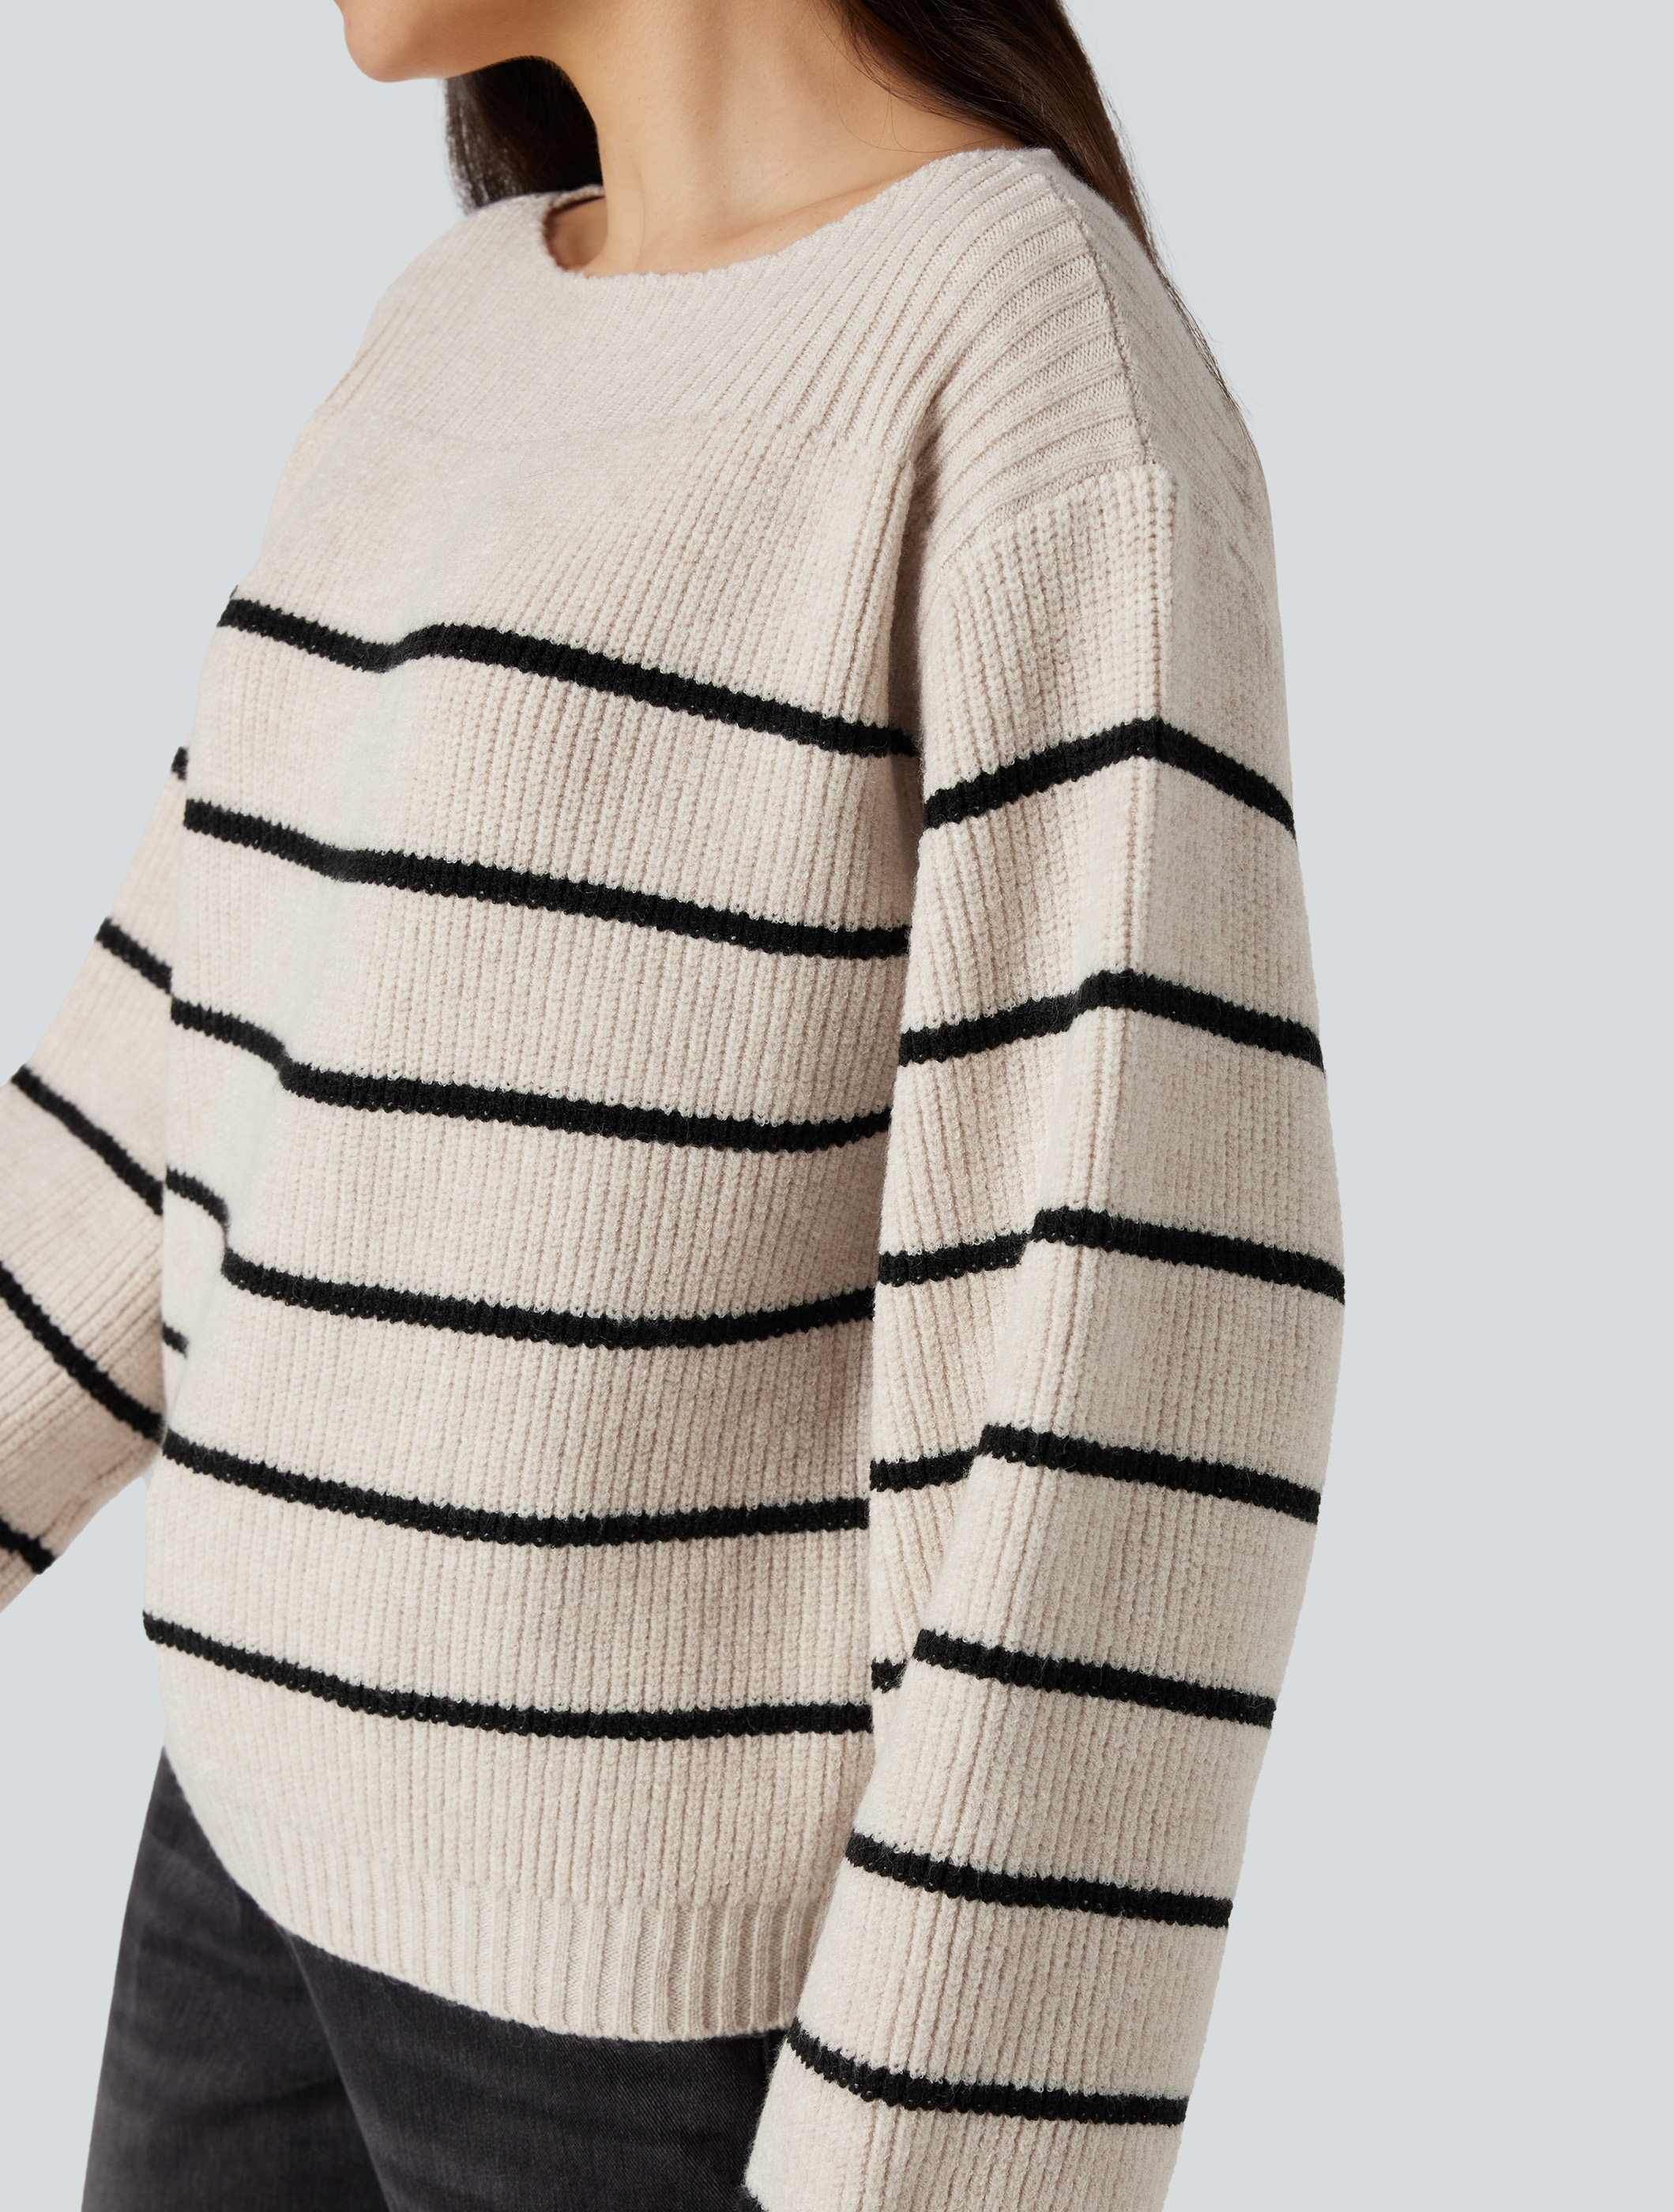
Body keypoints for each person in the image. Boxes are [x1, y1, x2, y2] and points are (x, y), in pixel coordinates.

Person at [0, 1, 1344, 2205]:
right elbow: (161, 1079)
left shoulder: (1026, 364)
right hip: (238, 1873)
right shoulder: (450, 323)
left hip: (652, 2036)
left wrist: (932, 2158)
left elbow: (1127, 1355)